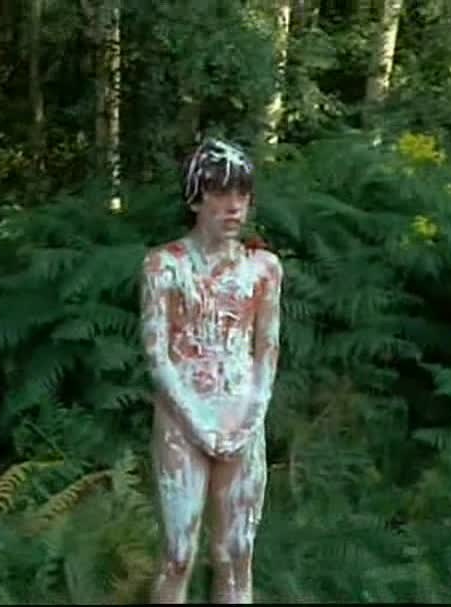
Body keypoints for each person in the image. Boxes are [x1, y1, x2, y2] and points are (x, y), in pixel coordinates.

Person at [140, 138, 283, 604]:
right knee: (178, 554)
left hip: (241, 415)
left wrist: (251, 419)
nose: (234, 206)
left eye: (242, 194)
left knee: (236, 554)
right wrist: (197, 424)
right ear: (196, 198)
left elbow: (267, 349)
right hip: (182, 419)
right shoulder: (164, 265)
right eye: (221, 193)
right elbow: (157, 356)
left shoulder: (264, 268)